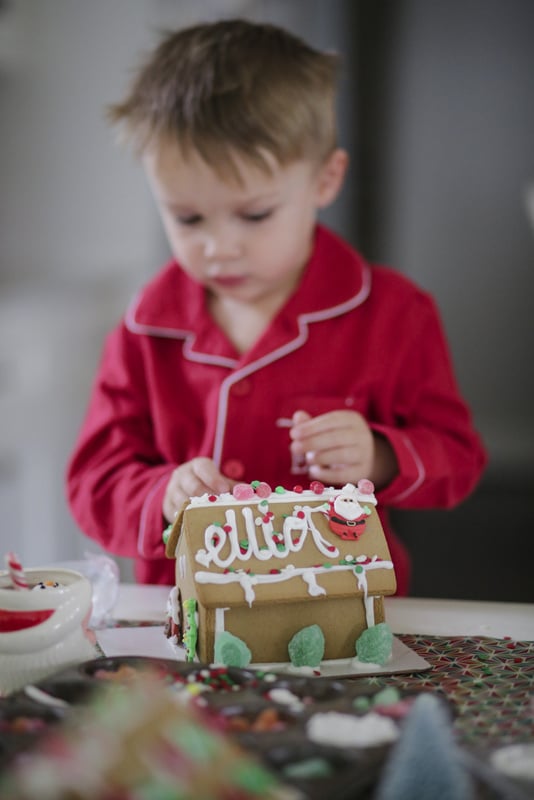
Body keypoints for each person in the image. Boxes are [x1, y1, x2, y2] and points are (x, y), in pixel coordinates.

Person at [66, 18, 487, 593]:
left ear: (325, 179)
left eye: (255, 214)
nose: (219, 247)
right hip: (183, 621)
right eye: (188, 219)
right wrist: (161, 493)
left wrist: (379, 456)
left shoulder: (396, 314)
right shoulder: (145, 329)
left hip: (344, 611)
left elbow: (458, 458)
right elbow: (93, 482)